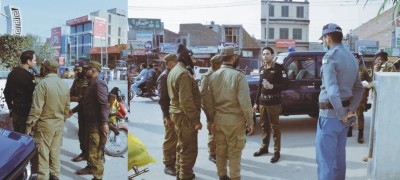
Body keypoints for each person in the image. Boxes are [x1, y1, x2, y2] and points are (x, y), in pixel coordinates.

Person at [315, 23, 363, 180]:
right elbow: (359, 89)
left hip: (330, 116)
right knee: (338, 159)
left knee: (325, 162)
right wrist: (351, 111)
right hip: (344, 117)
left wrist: (342, 114)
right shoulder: (351, 57)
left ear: (327, 38)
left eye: (323, 39)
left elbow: (332, 91)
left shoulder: (330, 57)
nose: (323, 42)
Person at [205, 47, 254, 180]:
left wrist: (211, 120)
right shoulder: (238, 76)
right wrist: (250, 121)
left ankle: (222, 176)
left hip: (219, 119)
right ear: (233, 58)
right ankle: (235, 177)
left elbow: (208, 102)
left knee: (220, 150)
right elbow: (245, 102)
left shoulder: (212, 76)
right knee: (234, 153)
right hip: (235, 121)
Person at [25, 59, 70, 180]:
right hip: (58, 127)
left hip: (44, 127)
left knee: (43, 159)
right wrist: (60, 120)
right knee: (55, 155)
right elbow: (67, 109)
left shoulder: (43, 84)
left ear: (44, 69)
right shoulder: (64, 84)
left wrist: (28, 127)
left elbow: (36, 109)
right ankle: (55, 176)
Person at [167, 44, 202, 180]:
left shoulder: (175, 70)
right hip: (185, 116)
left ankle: (180, 173)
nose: (193, 62)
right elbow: (186, 101)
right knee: (188, 149)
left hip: (177, 114)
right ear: (185, 58)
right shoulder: (183, 74)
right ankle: (185, 175)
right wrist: (196, 121)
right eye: (192, 59)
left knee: (181, 146)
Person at [74, 61, 109, 180]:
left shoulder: (99, 83)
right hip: (89, 123)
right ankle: (91, 168)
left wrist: (104, 123)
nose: (85, 71)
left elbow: (104, 104)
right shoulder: (91, 83)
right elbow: (84, 103)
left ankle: (97, 177)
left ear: (93, 70)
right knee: (90, 150)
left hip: (96, 124)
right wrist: (73, 111)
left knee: (95, 153)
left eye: (87, 69)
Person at [252, 46, 288, 163]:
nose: (265, 56)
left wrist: (273, 87)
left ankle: (277, 151)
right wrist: (256, 103)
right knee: (264, 126)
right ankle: (264, 147)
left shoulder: (279, 68)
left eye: (267, 54)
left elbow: (285, 85)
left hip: (273, 103)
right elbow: (259, 87)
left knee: (275, 127)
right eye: (263, 54)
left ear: (272, 55)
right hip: (263, 102)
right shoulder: (262, 69)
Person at [4, 50, 37, 134]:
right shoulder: (29, 77)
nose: (35, 62)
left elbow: (6, 92)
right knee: (25, 140)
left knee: (16, 136)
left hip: (15, 111)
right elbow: (34, 95)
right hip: (26, 113)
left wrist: (10, 107)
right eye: (34, 60)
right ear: (28, 61)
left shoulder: (12, 73)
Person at [156, 54, 178, 176]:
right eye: (175, 62)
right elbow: (163, 99)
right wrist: (167, 117)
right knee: (170, 139)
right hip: (169, 114)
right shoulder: (164, 77)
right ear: (170, 63)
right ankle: (168, 164)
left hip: (175, 113)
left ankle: (174, 161)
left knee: (176, 139)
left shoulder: (172, 75)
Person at [200, 54, 223, 164]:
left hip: (221, 109)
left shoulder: (219, 74)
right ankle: (212, 153)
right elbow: (204, 97)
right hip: (212, 111)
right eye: (221, 63)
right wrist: (210, 115)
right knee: (213, 133)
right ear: (217, 64)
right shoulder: (207, 76)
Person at [347, 54, 372, 144]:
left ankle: (360, 134)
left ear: (359, 60)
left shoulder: (364, 70)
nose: (355, 60)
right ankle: (349, 129)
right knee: (350, 113)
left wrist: (365, 86)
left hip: (361, 96)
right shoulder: (347, 69)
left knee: (360, 114)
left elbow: (370, 83)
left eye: (356, 59)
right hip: (349, 95)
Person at [70, 62, 90, 162]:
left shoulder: (89, 80)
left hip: (89, 112)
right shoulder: (76, 80)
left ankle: (94, 156)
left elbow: (85, 99)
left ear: (85, 69)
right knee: (81, 133)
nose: (76, 72)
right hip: (81, 111)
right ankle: (84, 153)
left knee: (89, 135)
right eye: (75, 70)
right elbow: (70, 94)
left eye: (79, 70)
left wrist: (76, 98)